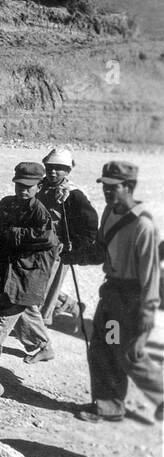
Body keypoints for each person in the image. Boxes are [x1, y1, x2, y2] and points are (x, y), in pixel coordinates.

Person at [75, 161, 163, 424]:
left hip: (131, 299)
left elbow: (151, 275)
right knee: (104, 346)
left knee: (128, 353)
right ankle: (109, 404)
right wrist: (76, 255)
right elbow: (101, 249)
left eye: (114, 187)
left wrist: (147, 313)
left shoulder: (143, 226)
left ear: (129, 186)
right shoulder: (109, 212)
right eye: (105, 186)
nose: (108, 192)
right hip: (112, 294)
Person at [0, 162, 61, 365]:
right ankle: (44, 346)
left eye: (28, 187)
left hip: (30, 270)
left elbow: (48, 239)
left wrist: (13, 234)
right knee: (24, 307)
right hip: (13, 267)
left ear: (39, 187)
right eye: (19, 186)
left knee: (3, 315)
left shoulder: (40, 212)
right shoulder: (7, 202)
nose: (23, 190)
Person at [36, 146, 100, 324]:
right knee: (36, 282)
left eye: (58, 168)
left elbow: (90, 226)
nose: (53, 172)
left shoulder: (74, 195)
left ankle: (40, 323)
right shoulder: (40, 186)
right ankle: (70, 305)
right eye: (49, 168)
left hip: (59, 248)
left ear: (68, 170)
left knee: (48, 285)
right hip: (38, 242)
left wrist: (74, 245)